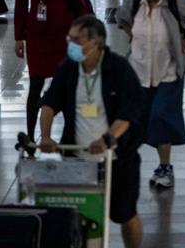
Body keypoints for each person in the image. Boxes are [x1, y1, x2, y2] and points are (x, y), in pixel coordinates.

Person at [38, 15, 145, 248]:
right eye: (70, 38)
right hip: (77, 158)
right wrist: (45, 136)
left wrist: (108, 139)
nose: (70, 43)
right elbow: (48, 105)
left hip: (116, 159)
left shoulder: (118, 68)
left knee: (125, 214)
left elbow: (128, 113)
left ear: (95, 42)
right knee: (81, 215)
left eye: (76, 39)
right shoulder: (68, 69)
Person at [115, 0, 185, 190]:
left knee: (161, 117)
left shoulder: (174, 3)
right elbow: (120, 19)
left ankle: (165, 166)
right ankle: (125, 163)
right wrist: (132, 38)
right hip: (139, 74)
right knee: (138, 120)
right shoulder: (134, 5)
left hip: (168, 73)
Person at [14, 0, 93, 140]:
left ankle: (71, 134)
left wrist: (84, 32)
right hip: (38, 37)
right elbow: (21, 4)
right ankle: (30, 137)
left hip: (64, 35)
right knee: (35, 85)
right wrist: (19, 38)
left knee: (69, 85)